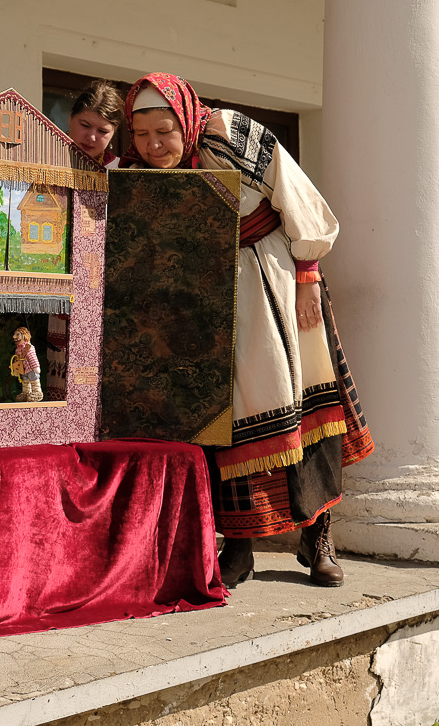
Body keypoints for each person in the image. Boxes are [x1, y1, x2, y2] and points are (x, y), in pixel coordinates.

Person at [120, 73, 373, 589]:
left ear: (185, 119)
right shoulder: (139, 175)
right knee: (225, 426)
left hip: (275, 285)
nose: (154, 146)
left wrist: (307, 278)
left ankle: (318, 536)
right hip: (206, 310)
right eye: (142, 135)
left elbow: (297, 196)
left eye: (164, 131)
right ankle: (239, 549)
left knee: (304, 410)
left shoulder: (232, 135)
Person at [66, 79, 124, 169]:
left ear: (114, 131)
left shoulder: (119, 170)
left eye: (102, 131)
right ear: (70, 118)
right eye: (85, 125)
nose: (91, 138)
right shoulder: (43, 155)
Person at [11, 326, 43, 402]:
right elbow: (17, 360)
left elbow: (33, 358)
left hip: (30, 369)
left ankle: (37, 393)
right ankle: (26, 393)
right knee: (25, 382)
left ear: (24, 336)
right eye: (15, 335)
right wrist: (16, 370)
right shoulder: (18, 350)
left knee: (34, 380)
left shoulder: (29, 347)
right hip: (23, 369)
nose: (14, 336)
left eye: (17, 334)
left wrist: (36, 367)